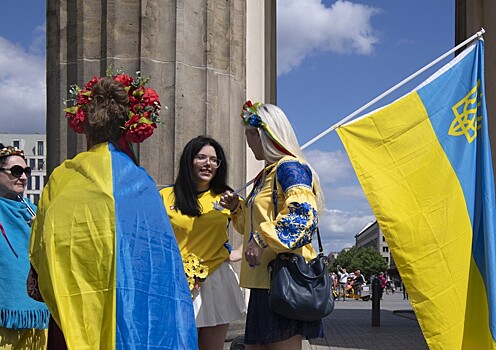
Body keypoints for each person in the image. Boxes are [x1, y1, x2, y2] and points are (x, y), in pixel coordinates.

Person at [29, 77, 197, 349]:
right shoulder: (143, 183)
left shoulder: (63, 177)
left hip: (74, 308)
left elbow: (41, 245)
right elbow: (162, 257)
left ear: (85, 129)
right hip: (132, 311)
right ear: (124, 130)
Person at [219, 101, 324, 349]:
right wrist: (237, 207)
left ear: (260, 134)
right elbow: (253, 227)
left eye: (248, 135)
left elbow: (304, 218)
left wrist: (261, 239)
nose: (247, 141)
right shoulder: (266, 174)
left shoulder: (290, 168)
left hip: (283, 279)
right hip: (265, 281)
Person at [160, 136, 246, 350]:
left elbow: (254, 229)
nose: (209, 164)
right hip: (175, 280)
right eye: (201, 157)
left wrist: (237, 252)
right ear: (189, 160)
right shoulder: (165, 196)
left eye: (214, 160)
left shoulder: (227, 198)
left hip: (216, 280)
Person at [0, 144, 49, 349]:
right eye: (16, 171)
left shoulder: (35, 211)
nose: (23, 177)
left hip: (36, 316)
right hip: (5, 320)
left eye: (26, 171)